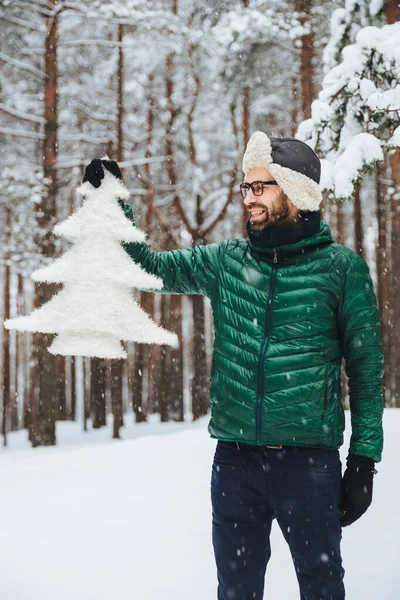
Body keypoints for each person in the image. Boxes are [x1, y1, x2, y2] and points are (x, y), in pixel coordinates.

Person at [83, 132, 383, 600]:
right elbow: (146, 268)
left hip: (308, 464)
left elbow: (366, 372)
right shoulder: (227, 261)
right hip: (235, 462)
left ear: (295, 190)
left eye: (260, 186)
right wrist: (112, 206)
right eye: (246, 186)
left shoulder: (341, 270)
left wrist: (364, 460)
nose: (249, 197)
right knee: (236, 591)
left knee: (322, 589)